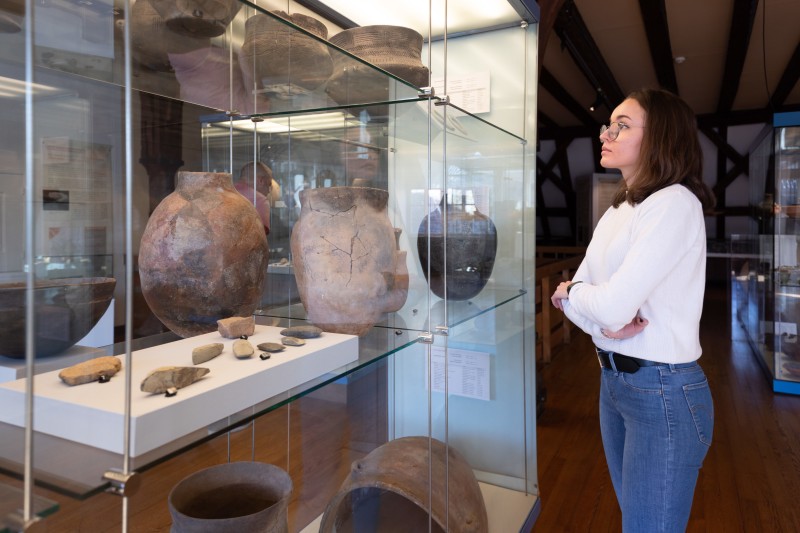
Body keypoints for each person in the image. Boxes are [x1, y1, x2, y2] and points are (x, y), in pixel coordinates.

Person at [550, 88, 716, 532]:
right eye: (608, 124)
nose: (606, 133)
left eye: (622, 125)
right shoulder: (621, 207)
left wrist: (581, 297)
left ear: (661, 136)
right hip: (614, 382)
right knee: (638, 522)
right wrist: (594, 314)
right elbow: (577, 299)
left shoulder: (674, 203)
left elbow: (607, 303)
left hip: (662, 389)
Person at [234, 161, 273, 235]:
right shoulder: (261, 201)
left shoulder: (225, 192)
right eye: (269, 185)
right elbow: (260, 236)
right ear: (261, 181)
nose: (268, 191)